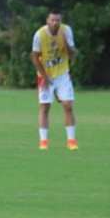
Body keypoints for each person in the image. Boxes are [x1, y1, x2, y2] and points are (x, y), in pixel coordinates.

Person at [31, 8, 78, 150]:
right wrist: (44, 77)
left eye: (57, 20)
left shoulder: (66, 31)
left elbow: (72, 54)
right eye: (52, 20)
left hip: (62, 74)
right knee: (45, 107)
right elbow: (35, 57)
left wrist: (65, 42)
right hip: (45, 75)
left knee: (68, 106)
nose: (55, 23)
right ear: (47, 21)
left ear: (60, 20)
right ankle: (43, 141)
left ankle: (71, 141)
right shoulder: (39, 35)